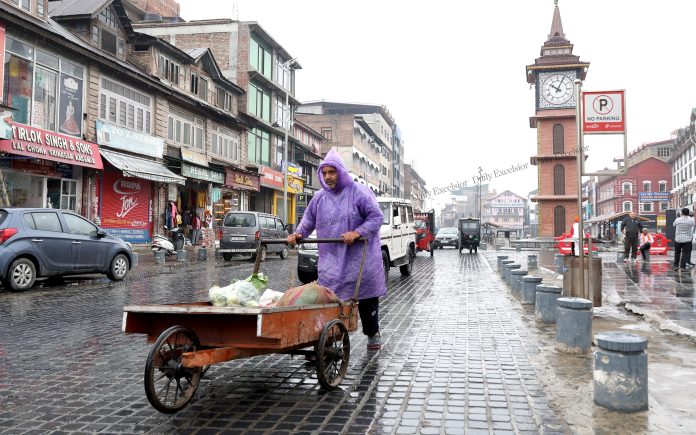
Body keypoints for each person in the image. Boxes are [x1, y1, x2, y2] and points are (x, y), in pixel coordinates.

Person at [287, 148, 386, 350]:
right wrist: (299, 234)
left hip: (359, 258)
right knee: (330, 300)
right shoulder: (320, 197)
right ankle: (329, 340)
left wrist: (357, 232)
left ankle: (372, 333)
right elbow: (308, 219)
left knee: (366, 299)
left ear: (340, 172)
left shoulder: (358, 192)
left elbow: (376, 217)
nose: (328, 177)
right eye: (324, 173)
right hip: (332, 259)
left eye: (332, 172)